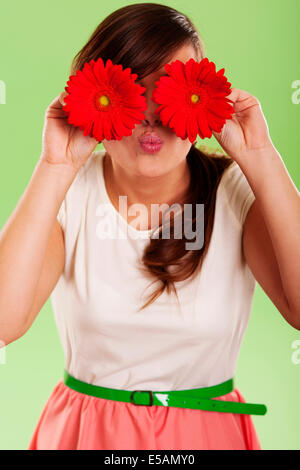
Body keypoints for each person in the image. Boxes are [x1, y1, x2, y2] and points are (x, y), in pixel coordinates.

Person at [1, 3, 299, 450]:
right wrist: (54, 166)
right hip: (86, 436)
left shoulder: (235, 192)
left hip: (206, 438)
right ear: (94, 101)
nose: (152, 115)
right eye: (130, 91)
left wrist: (261, 157)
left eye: (172, 92)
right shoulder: (69, 193)